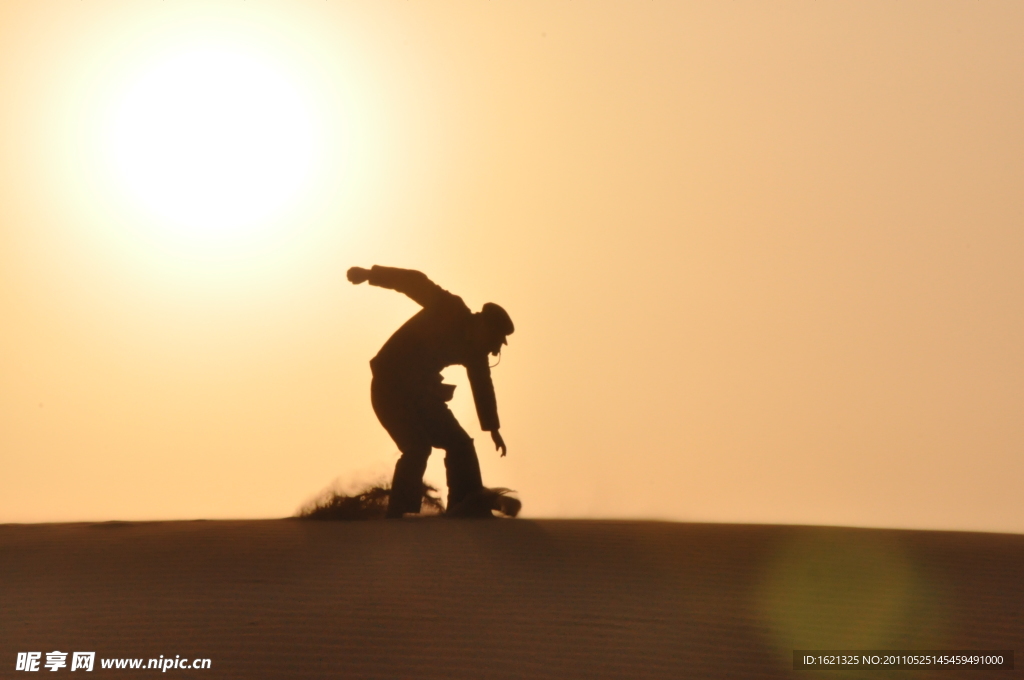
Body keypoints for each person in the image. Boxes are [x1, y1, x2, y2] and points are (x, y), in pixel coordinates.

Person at [347, 265, 514, 518]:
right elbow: (414, 282)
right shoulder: (450, 309)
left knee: (460, 444)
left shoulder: (475, 352)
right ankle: (402, 513)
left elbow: (483, 386)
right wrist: (371, 275)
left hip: (421, 394)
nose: (492, 350)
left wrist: (493, 428)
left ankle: (465, 503)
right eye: (494, 341)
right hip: (389, 387)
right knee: (417, 447)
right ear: (483, 324)